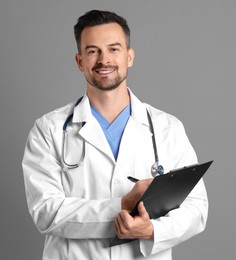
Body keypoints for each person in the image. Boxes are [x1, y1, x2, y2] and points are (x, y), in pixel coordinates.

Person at [22, 10, 208, 260]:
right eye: (92, 51)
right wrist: (122, 206)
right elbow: (46, 212)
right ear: (79, 61)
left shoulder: (167, 128)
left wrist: (153, 229)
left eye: (113, 49)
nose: (103, 60)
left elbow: (196, 207)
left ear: (129, 57)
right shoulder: (49, 130)